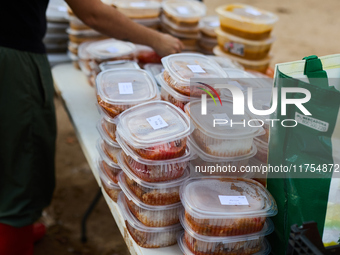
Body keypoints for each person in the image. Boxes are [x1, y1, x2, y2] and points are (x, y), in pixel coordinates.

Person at [0, 0, 184, 254]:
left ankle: (14, 229)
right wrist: (158, 40)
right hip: (12, 60)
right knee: (21, 166)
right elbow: (93, 13)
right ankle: (14, 232)